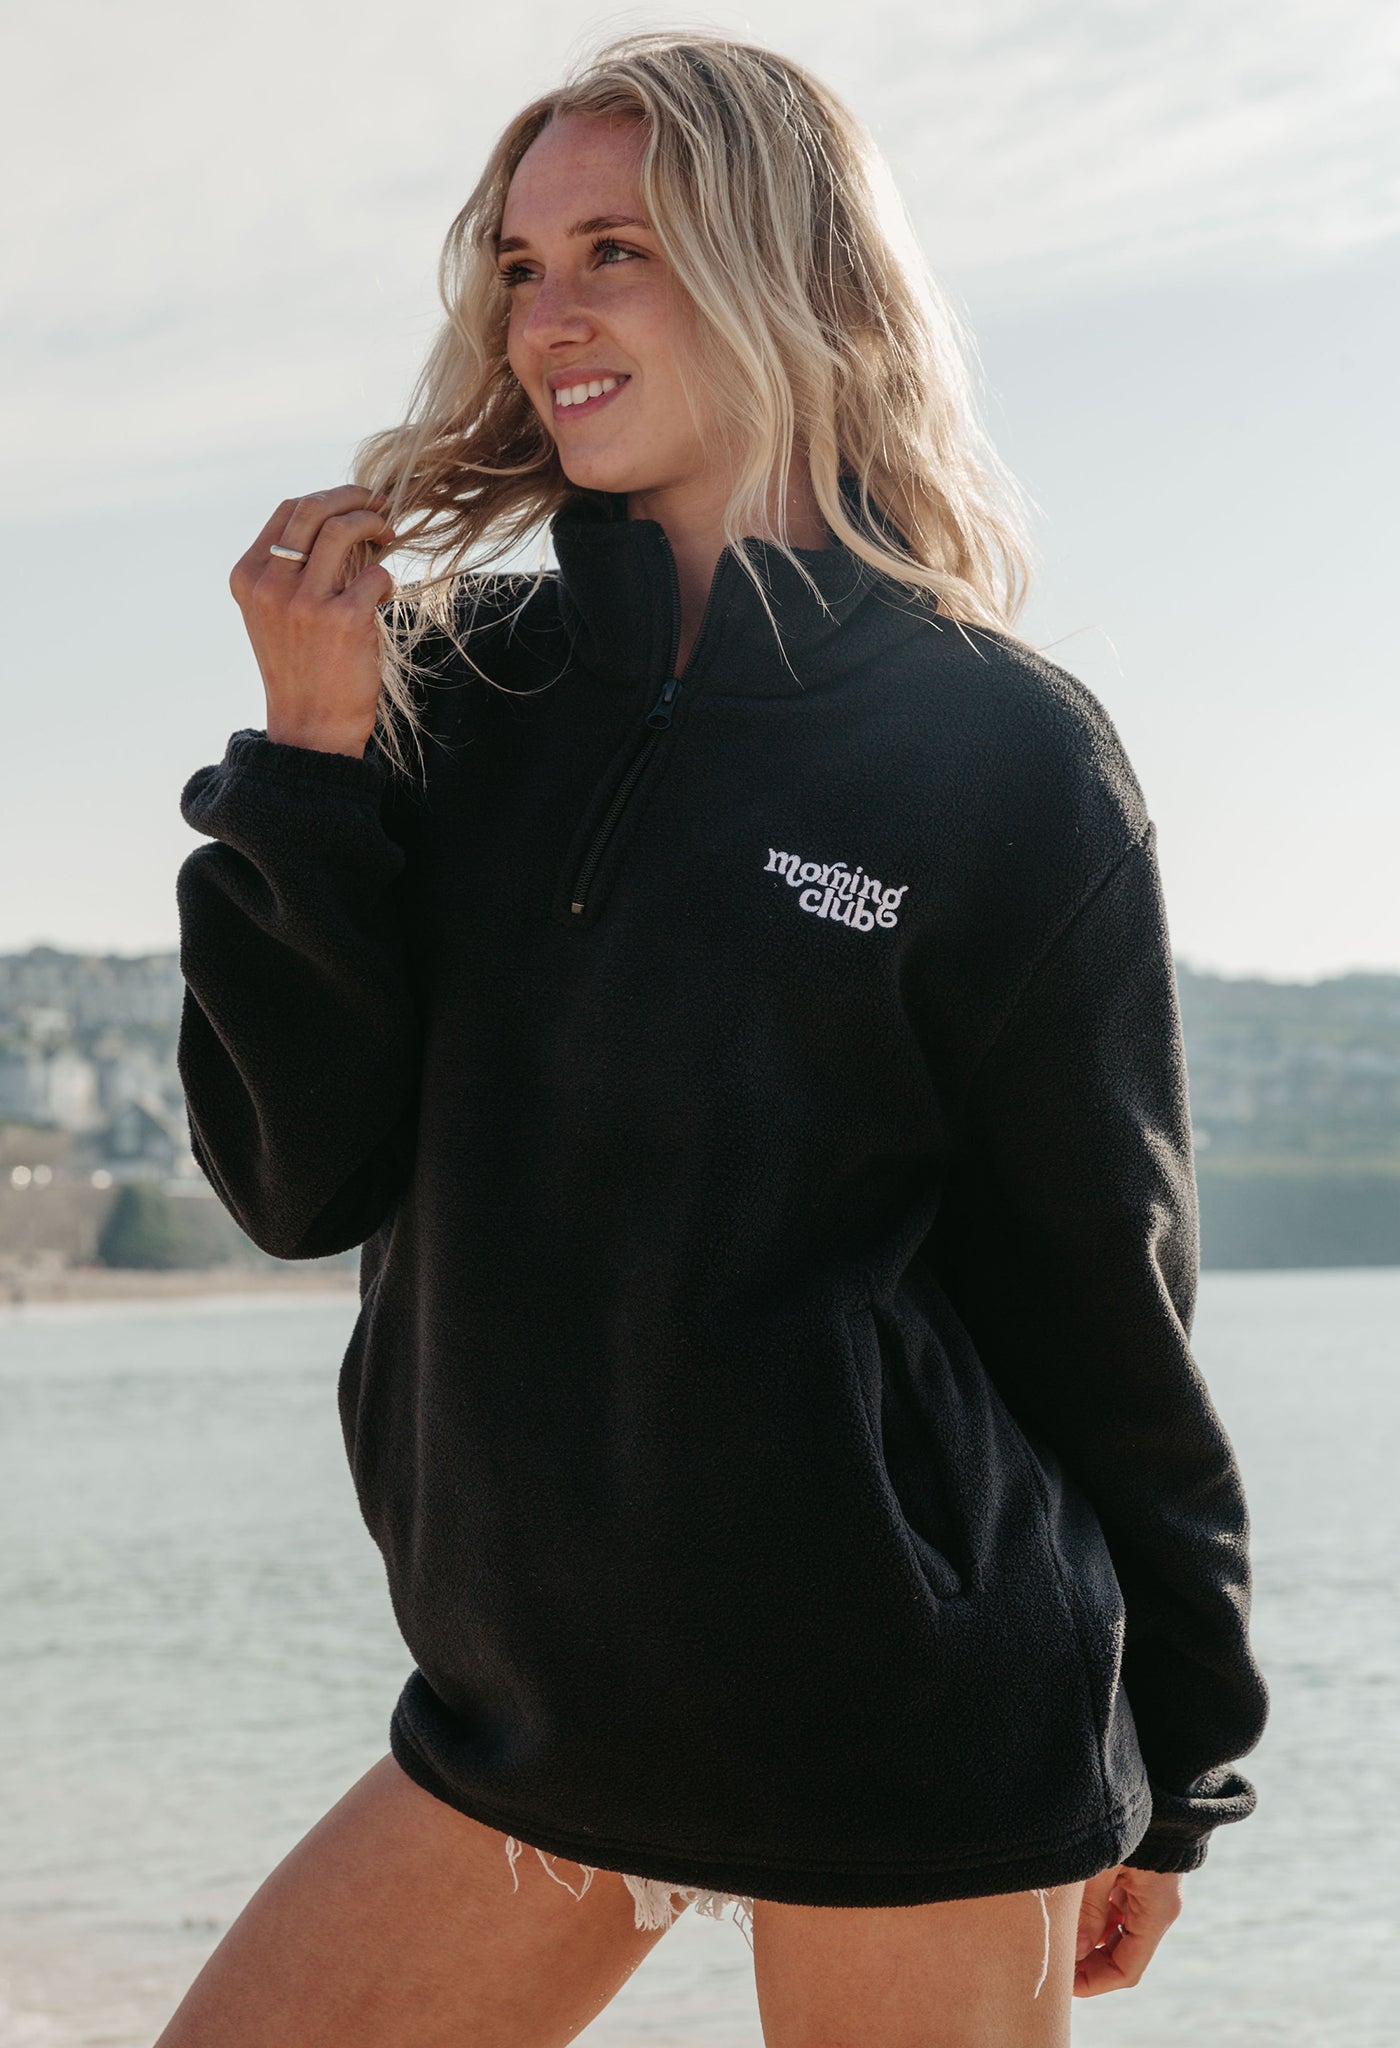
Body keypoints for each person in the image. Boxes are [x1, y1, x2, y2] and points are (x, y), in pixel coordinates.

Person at [159, 29, 1269, 2048]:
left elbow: (1102, 1300)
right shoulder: (449, 697)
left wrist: (1181, 1768)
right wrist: (310, 760)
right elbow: (295, 1180)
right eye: (520, 267)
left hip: (907, 1732)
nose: (548, 317)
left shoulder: (1002, 755)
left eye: (619, 251)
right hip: (530, 1717)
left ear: (787, 270)